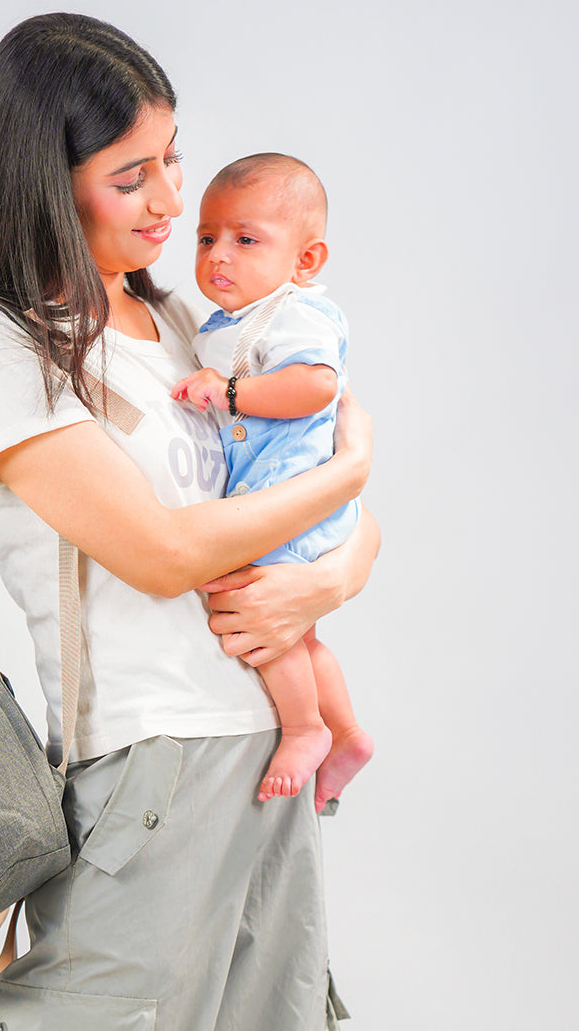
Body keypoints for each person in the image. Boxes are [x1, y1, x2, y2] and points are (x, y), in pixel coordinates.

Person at [0, 13, 379, 1031]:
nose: (171, 201)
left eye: (172, 159)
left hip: (264, 750)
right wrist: (352, 473)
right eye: (131, 176)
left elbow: (327, 511)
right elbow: (164, 556)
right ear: (46, 183)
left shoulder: (183, 324)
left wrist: (329, 579)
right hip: (151, 764)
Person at [172, 154, 374, 813]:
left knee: (266, 622)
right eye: (207, 238)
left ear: (305, 261)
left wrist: (229, 391)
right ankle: (347, 734)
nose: (218, 255)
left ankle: (305, 728)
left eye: (246, 239)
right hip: (287, 497)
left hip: (293, 495)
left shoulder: (294, 313)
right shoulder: (227, 322)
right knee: (303, 636)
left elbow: (316, 385)